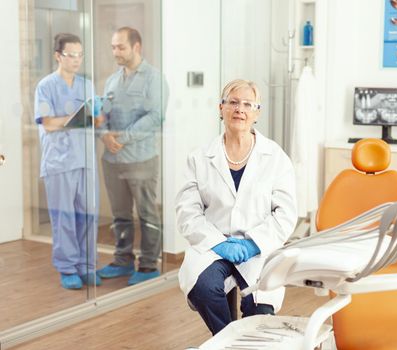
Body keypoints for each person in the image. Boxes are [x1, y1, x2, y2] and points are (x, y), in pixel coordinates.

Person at [175, 79, 298, 335]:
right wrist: (219, 243)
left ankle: (239, 340)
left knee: (260, 309)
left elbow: (285, 215)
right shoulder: (199, 158)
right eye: (232, 102)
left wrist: (253, 244)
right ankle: (227, 339)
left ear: (257, 113)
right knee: (204, 288)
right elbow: (188, 212)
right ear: (221, 109)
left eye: (247, 104)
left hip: (258, 249)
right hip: (214, 246)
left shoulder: (275, 157)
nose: (239, 109)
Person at [97, 27, 168, 285]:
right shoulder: (113, 80)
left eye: (121, 47)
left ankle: (148, 266)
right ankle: (123, 261)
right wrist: (105, 135)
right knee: (121, 214)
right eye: (113, 47)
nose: (115, 52)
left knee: (147, 213)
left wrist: (122, 138)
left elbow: (155, 117)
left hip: (141, 159)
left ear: (136, 47)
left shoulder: (154, 79)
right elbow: (102, 112)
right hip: (112, 160)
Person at [34, 33, 103, 290]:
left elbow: (95, 120)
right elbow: (48, 123)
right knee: (63, 217)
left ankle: (86, 266)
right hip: (59, 162)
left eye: (79, 55)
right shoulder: (45, 86)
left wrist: (96, 117)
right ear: (57, 56)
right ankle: (66, 267)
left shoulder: (86, 85)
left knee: (88, 214)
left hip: (84, 158)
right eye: (70, 55)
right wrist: (73, 117)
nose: (76, 60)